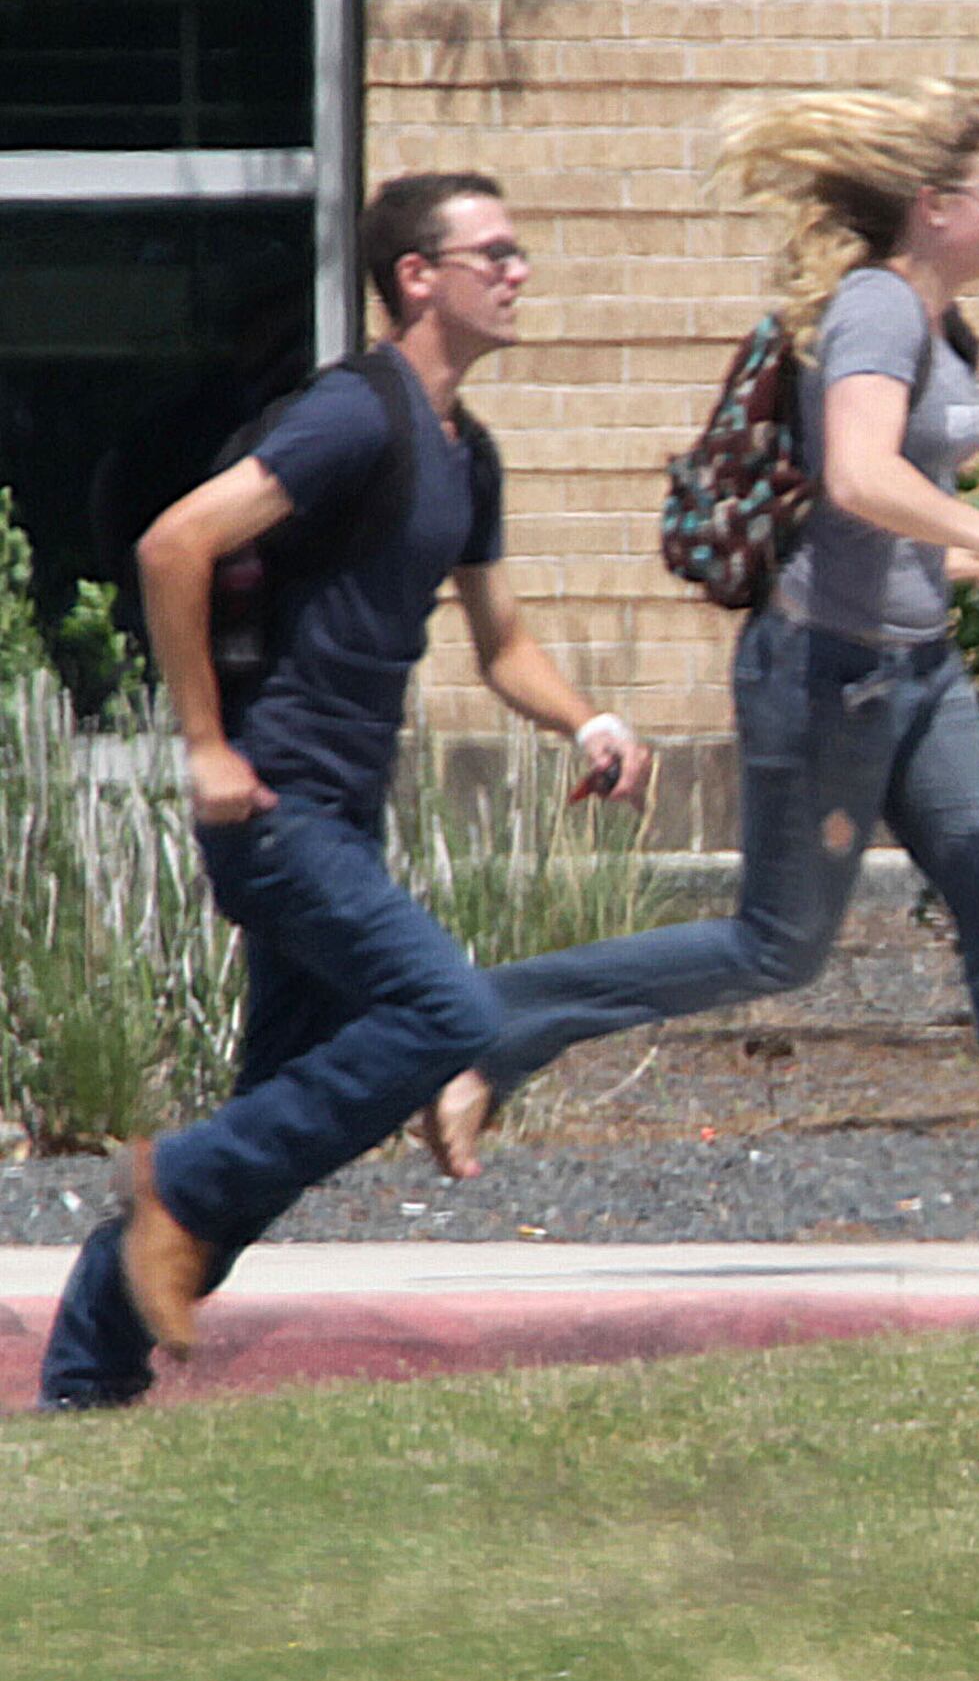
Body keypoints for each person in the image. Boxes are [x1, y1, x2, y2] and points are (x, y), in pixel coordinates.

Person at [414, 81, 979, 1273]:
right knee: (776, 948)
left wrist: (964, 566)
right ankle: (484, 1027)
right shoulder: (878, 312)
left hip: (916, 668)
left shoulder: (939, 326)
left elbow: (865, 516)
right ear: (936, 205)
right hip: (823, 675)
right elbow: (852, 476)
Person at [37, 171, 654, 1408]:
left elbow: (499, 642)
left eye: (520, 251)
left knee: (278, 1116)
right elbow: (175, 543)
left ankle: (88, 1374)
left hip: (341, 818)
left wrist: (587, 718)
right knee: (451, 1018)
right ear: (417, 278)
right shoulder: (351, 418)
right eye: (495, 253)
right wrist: (206, 746)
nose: (519, 271)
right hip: (274, 810)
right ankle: (182, 1177)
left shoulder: (462, 451)